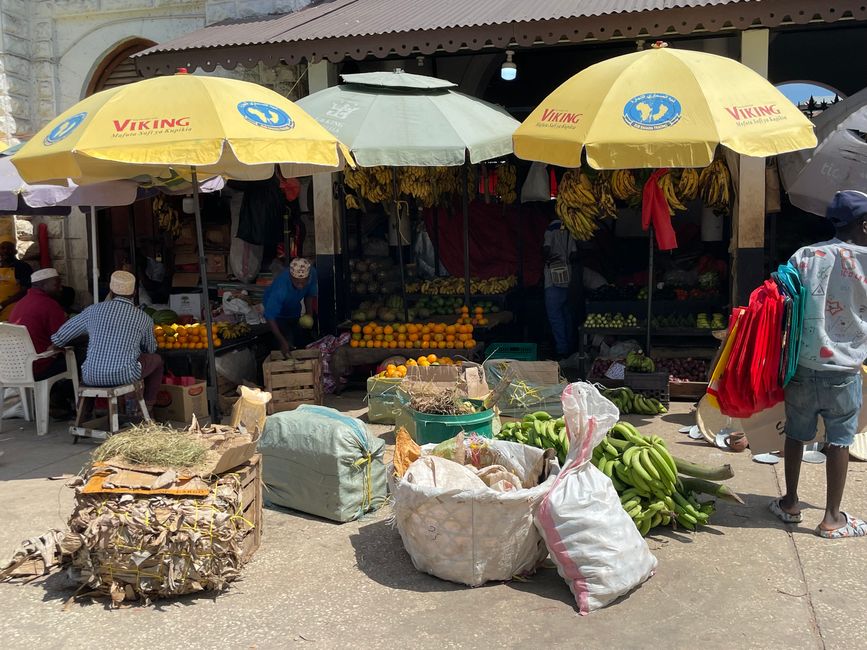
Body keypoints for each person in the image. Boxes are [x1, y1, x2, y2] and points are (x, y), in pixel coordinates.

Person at [770, 190, 867, 539]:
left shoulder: (805, 256)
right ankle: (831, 518)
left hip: (802, 365)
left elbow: (782, 301)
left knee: (796, 434)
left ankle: (790, 502)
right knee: (839, 441)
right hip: (844, 370)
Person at [50, 270, 163, 413]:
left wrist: (56, 344)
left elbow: (61, 336)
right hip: (125, 375)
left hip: (91, 376)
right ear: (134, 293)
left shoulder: (93, 310)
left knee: (90, 367)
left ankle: (84, 415)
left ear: (111, 291)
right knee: (157, 360)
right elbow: (150, 349)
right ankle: (147, 407)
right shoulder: (143, 317)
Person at [9, 267, 67, 379]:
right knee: (85, 357)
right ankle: (62, 394)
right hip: (39, 366)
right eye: (56, 285)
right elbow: (64, 336)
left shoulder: (20, 303)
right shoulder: (49, 305)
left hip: (16, 368)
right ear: (43, 285)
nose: (60, 289)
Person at [264, 257, 318, 357]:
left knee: (301, 340)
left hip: (293, 309)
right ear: (291, 277)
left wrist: (309, 314)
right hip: (278, 314)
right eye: (297, 282)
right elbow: (270, 317)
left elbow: (309, 294)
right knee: (287, 341)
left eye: (303, 282)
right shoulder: (281, 288)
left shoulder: (312, 273)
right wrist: (282, 341)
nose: (301, 286)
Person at [543, 215, 578, 359]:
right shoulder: (571, 230)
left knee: (555, 316)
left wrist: (547, 258)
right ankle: (570, 346)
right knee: (566, 314)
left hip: (552, 278)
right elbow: (575, 254)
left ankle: (562, 349)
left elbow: (546, 248)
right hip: (567, 276)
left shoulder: (550, 230)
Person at [0, 240, 33, 320]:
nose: (6, 251)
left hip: (15, 305)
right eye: (3, 248)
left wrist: (4, 304)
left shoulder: (22, 267)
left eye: (9, 248)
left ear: (15, 251)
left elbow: (25, 290)